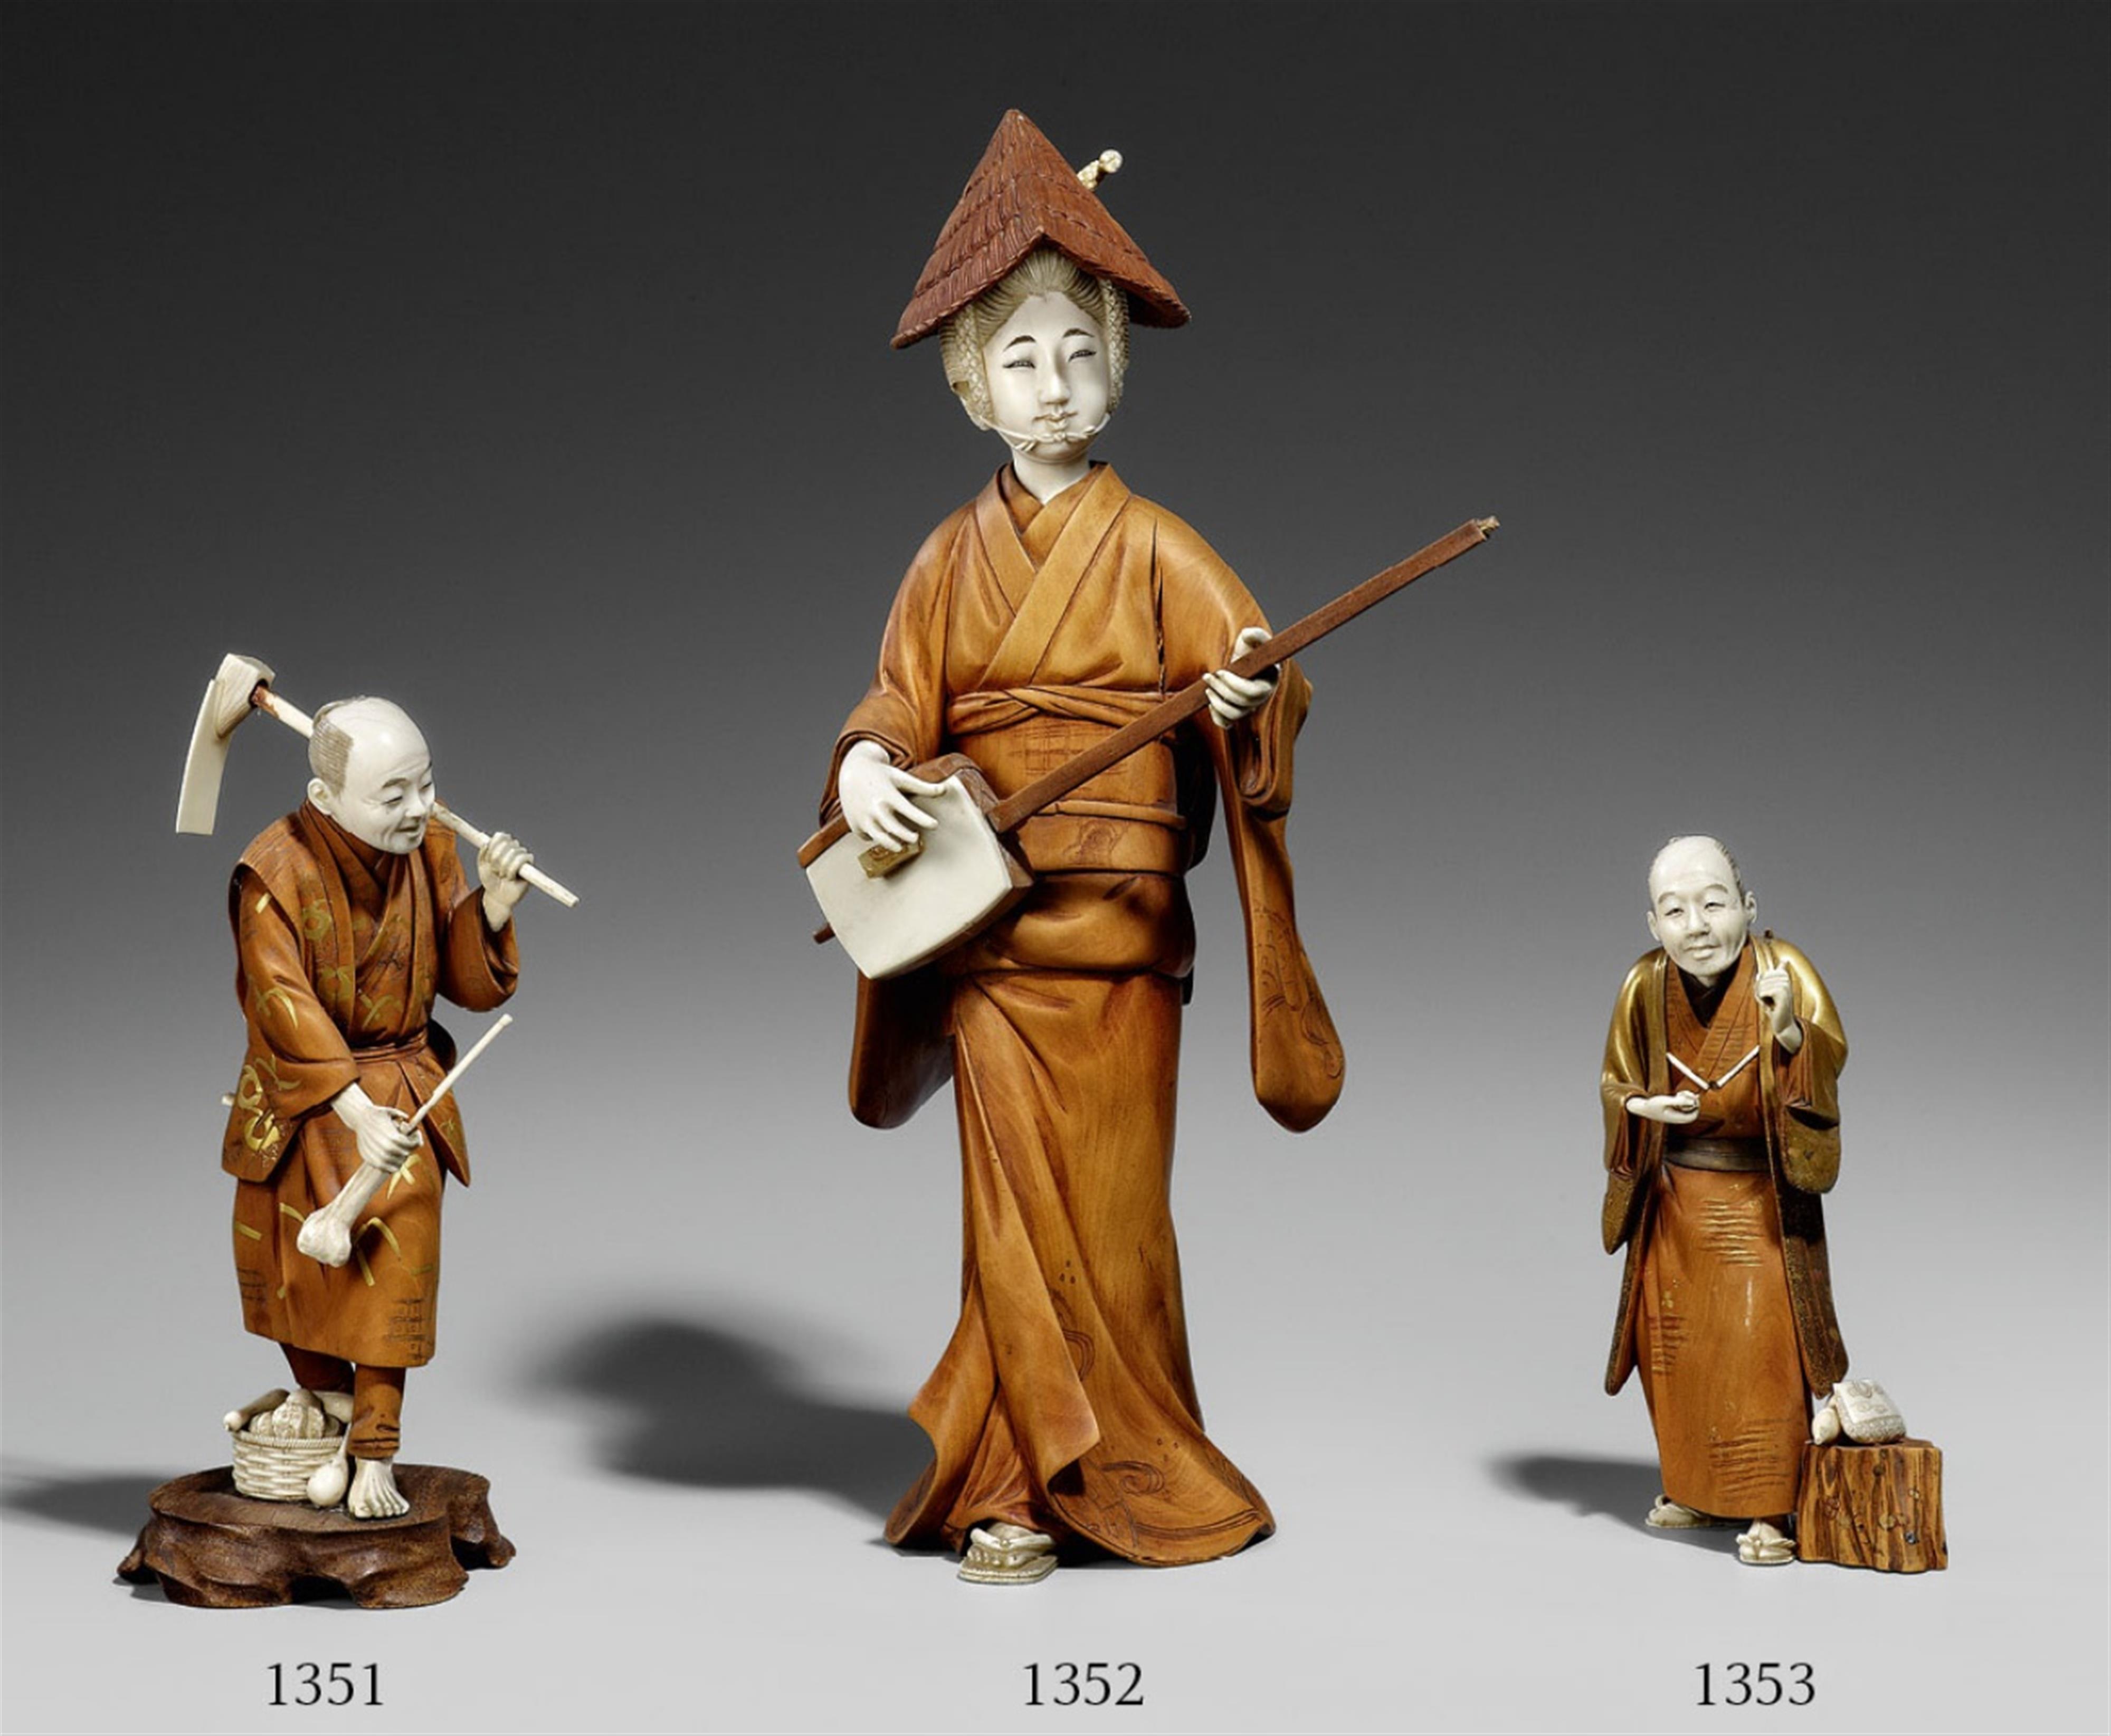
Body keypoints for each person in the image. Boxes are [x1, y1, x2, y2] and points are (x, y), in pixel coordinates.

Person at [820, 111, 1344, 1583]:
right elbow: (893, 701)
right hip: (993, 941)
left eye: (1080, 354)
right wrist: (866, 770)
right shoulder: (945, 560)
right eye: (1020, 359)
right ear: (968, 387)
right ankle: (1009, 1483)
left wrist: (1245, 701)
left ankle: (1127, 1468)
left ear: (1120, 367)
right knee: (1008, 1232)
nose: (1054, 387)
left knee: (1111, 1229)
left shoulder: (1160, 544)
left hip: (1115, 950)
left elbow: (1262, 673)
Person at [221, 696, 529, 1519]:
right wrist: (350, 1110)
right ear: (326, 799)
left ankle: (373, 1456)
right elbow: (280, 1001)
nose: (420, 808)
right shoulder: (271, 871)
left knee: (395, 1257)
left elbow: (460, 986)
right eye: (392, 793)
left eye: (426, 784)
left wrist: (491, 906)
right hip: (303, 1092)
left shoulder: (429, 845)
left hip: (401, 1084)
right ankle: (331, 1404)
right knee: (291, 1265)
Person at [1597, 835, 1848, 1566]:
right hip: (1673, 1197)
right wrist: (1641, 1110)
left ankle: (1771, 1503)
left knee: (1760, 1348)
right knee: (1673, 1348)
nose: (1697, 925)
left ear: (1748, 906)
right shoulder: (1644, 985)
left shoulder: (1785, 969)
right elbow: (1613, 1081)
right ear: (1653, 924)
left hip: (1757, 1196)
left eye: (1713, 903)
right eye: (1675, 910)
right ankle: (1693, 1485)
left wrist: (1788, 1027)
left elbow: (1829, 1056)